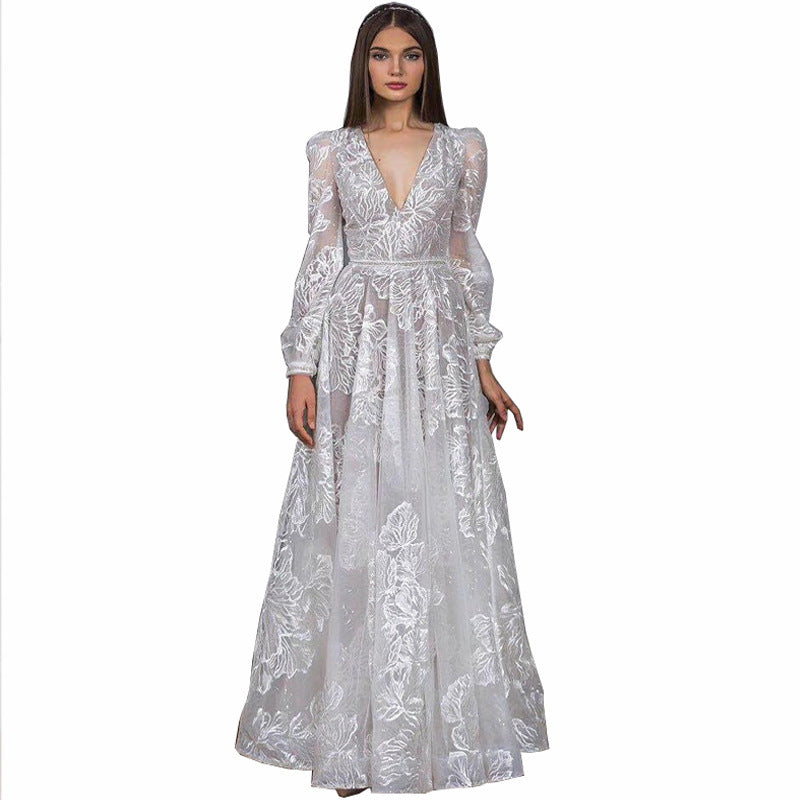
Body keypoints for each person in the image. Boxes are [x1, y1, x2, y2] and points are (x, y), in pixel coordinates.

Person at [234, 3, 549, 794]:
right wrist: (299, 366)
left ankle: (435, 738)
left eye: (411, 54)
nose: (397, 69)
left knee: (439, 518)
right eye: (382, 55)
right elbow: (320, 255)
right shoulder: (331, 151)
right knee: (357, 520)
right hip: (359, 353)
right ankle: (349, 741)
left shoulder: (463, 148)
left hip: (437, 352)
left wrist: (484, 362)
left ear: (428, 63)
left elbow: (464, 254)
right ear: (363, 64)